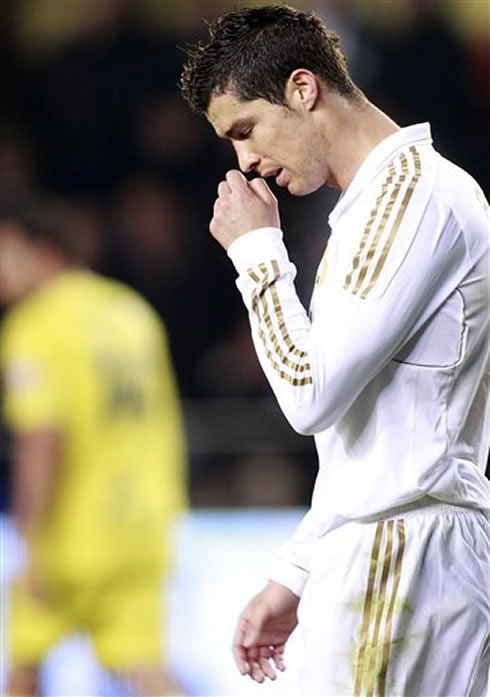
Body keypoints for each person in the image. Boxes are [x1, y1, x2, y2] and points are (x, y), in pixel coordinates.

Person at [180, 5, 490, 695]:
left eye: (245, 130)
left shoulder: (411, 196)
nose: (247, 162)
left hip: (402, 557)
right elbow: (370, 434)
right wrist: (298, 569)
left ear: (302, 88)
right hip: (397, 549)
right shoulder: (380, 204)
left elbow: (310, 395)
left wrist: (257, 253)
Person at [0, 196, 187, 696]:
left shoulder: (36, 323)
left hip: (73, 531)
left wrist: (29, 540)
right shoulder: (131, 311)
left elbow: (42, 438)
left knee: (23, 663)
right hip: (145, 521)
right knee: (148, 670)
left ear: (43, 253)